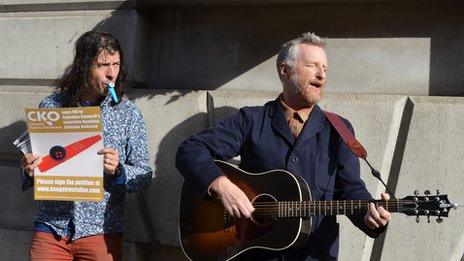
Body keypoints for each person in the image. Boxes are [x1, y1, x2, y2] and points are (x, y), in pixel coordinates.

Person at [176, 32, 391, 260]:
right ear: (285, 70)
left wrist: (370, 217)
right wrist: (223, 187)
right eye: (312, 65)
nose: (321, 75)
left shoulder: (339, 129)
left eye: (325, 69)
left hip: (314, 255)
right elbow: (190, 150)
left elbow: (350, 190)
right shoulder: (251, 120)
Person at [20, 31, 153, 261]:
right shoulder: (52, 105)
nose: (111, 73)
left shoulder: (128, 112)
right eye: (102, 65)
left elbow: (144, 175)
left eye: (116, 64)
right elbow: (34, 168)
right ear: (83, 66)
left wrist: (119, 170)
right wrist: (29, 169)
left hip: (101, 232)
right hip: (52, 229)